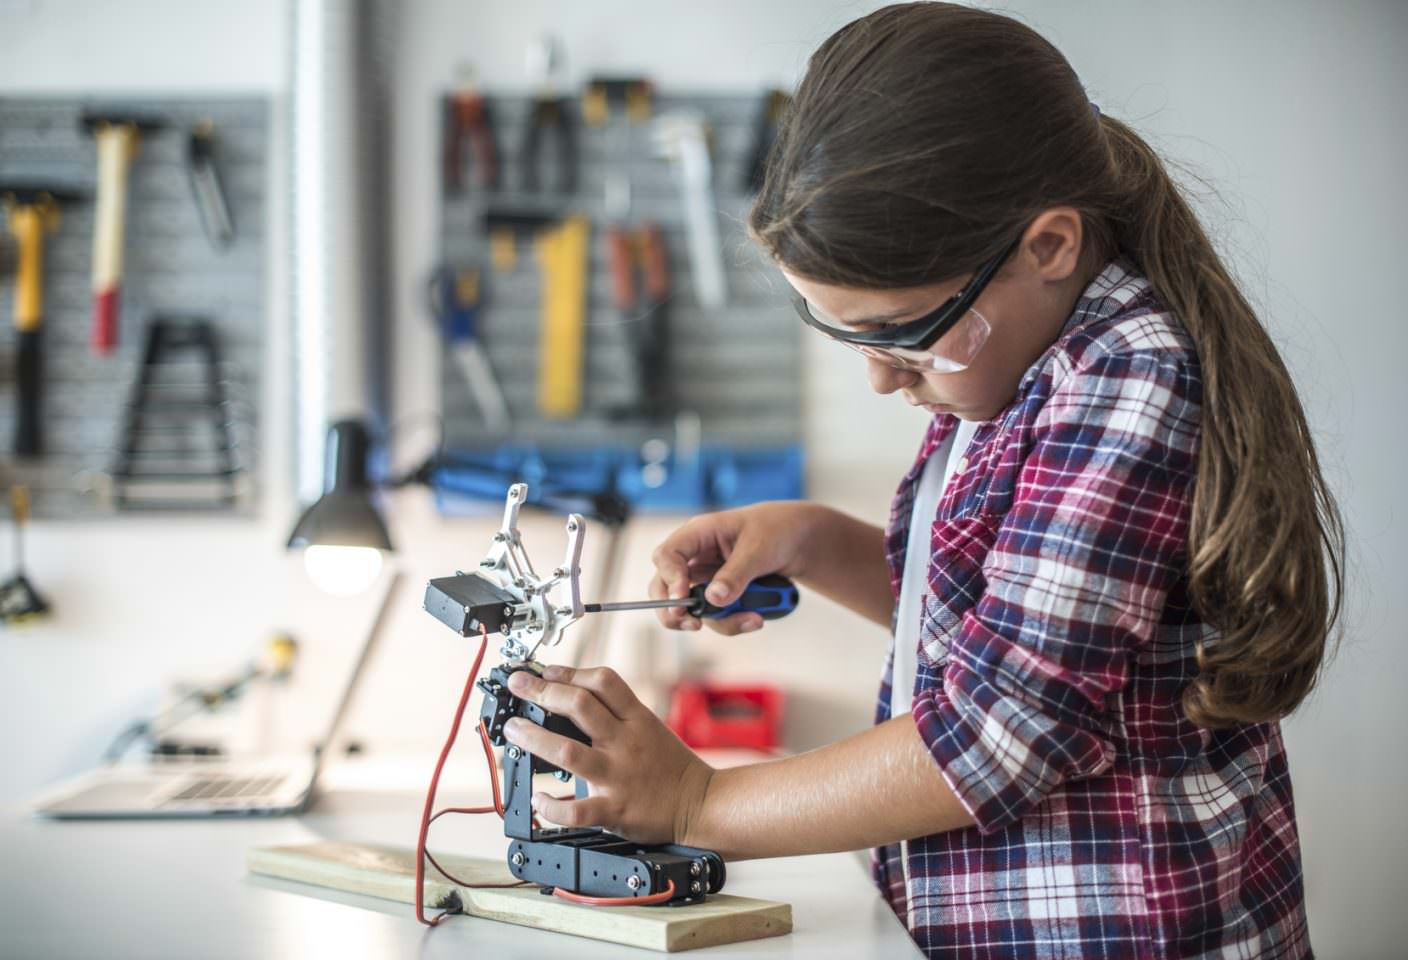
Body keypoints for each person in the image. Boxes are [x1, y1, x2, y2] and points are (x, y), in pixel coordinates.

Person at [497, 3, 1343, 956]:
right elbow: (989, 623)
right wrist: (814, 542)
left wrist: (698, 801)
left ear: (1050, 247)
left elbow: (995, 739)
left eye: (901, 330)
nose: (881, 374)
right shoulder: (1000, 377)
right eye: (848, 333)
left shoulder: (1123, 382)